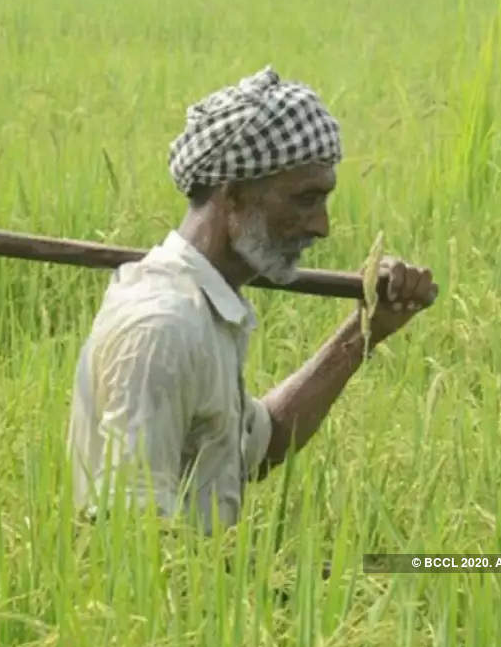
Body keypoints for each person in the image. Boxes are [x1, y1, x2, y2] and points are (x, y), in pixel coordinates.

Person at [66, 66, 438, 534]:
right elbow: (129, 534)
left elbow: (260, 448)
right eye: (305, 199)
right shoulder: (163, 328)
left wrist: (364, 330)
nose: (321, 226)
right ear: (235, 195)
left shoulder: (203, 308)